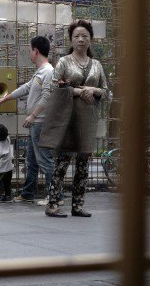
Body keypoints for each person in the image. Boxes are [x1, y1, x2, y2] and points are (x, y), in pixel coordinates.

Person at [42, 20, 109, 219]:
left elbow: (106, 92)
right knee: (62, 163)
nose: (81, 39)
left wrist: (94, 90)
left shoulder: (97, 65)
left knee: (83, 165)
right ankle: (52, 205)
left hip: (88, 120)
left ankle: (78, 205)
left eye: (85, 36)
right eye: (76, 36)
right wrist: (80, 92)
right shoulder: (64, 62)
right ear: (71, 40)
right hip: (67, 119)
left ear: (90, 40)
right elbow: (54, 87)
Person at [0, 36, 54, 203]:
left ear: (36, 51)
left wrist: (33, 115)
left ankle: (55, 196)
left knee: (44, 159)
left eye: (29, 50)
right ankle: (28, 194)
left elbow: (48, 96)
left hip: (40, 122)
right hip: (36, 122)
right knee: (32, 161)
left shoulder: (48, 72)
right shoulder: (40, 72)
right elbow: (26, 88)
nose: (29, 53)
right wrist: (5, 99)